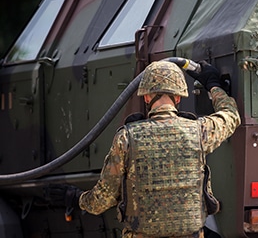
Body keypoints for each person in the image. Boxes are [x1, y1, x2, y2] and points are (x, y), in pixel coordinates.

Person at [49, 60, 240, 237]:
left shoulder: (127, 138)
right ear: (178, 98)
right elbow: (231, 115)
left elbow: (103, 199)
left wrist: (76, 198)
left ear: (147, 96)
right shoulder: (200, 131)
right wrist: (213, 85)